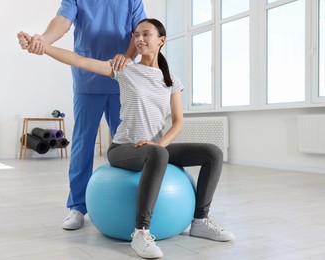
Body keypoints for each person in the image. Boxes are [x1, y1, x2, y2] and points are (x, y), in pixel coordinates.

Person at [20, 18, 234, 259]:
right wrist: (43, 46)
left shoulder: (171, 80)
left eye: (146, 34)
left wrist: (158, 144)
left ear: (161, 40)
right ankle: (141, 232)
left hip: (156, 147)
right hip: (125, 147)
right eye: (136, 35)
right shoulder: (125, 69)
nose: (139, 39)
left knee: (212, 153)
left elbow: (178, 123)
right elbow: (81, 61)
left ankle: (200, 220)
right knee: (157, 153)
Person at [17, 0, 146, 230]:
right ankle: (77, 206)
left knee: (126, 145)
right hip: (87, 80)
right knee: (82, 144)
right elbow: (62, 21)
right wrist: (43, 41)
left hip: (123, 80)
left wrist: (127, 56)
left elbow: (141, 31)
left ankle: (128, 200)